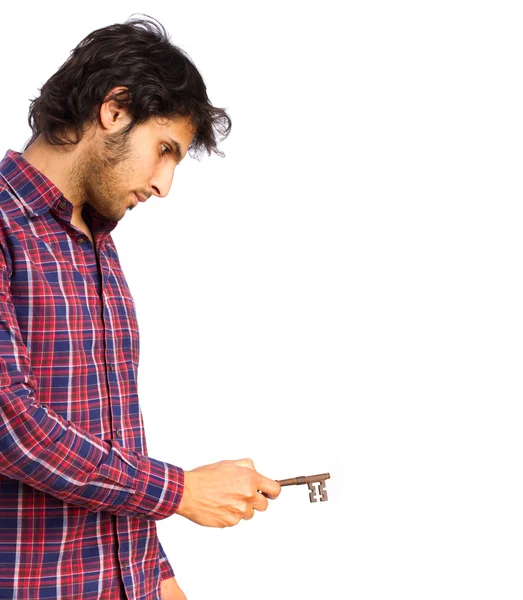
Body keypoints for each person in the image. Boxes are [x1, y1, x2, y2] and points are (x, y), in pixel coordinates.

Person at [0, 15, 281, 600]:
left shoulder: (98, 245)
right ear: (114, 108)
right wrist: (180, 492)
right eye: (164, 150)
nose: (164, 185)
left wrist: (159, 579)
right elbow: (12, 427)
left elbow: (111, 450)